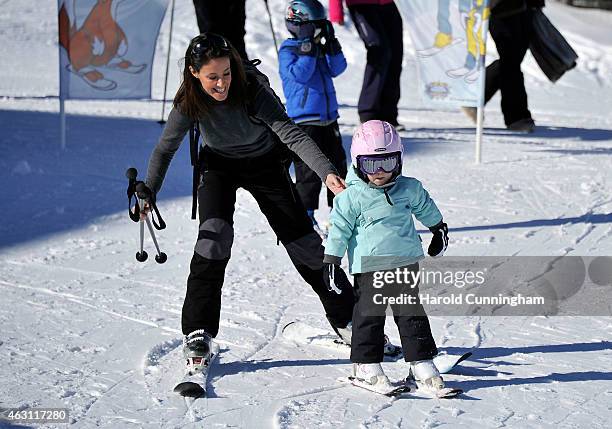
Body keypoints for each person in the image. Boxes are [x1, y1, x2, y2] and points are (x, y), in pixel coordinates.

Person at [144, 33, 356, 374]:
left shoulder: (251, 90)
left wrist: (327, 173)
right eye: (212, 76)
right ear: (194, 72)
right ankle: (198, 332)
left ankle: (349, 319)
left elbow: (292, 134)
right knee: (213, 240)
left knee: (305, 245)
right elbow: (165, 148)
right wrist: (149, 190)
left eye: (226, 73)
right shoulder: (189, 101)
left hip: (265, 164)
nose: (222, 83)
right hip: (219, 167)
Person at [323, 120, 451, 394]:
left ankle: (421, 364)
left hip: (406, 262)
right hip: (370, 266)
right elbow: (338, 231)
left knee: (411, 313)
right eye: (371, 164)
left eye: (388, 162)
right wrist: (331, 262)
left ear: (399, 159)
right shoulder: (351, 197)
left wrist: (438, 228)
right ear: (358, 162)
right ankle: (366, 367)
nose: (380, 171)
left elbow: (425, 207)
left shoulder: (409, 188)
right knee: (370, 315)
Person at [279, 0, 348, 234]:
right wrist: (308, 47)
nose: (318, 29)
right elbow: (300, 74)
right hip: (306, 122)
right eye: (314, 25)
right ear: (300, 25)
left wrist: (332, 45)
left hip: (329, 119)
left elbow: (338, 69)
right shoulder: (288, 50)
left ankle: (339, 214)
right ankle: (305, 217)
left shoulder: (318, 48)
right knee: (308, 172)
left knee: (337, 166)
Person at [463, 0, 545, 132]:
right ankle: (516, 117)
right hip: (502, 10)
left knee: (511, 61)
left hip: (527, 8)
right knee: (510, 60)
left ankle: (474, 96)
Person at [329, 0, 404, 129]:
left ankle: (388, 114)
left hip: (388, 4)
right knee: (379, 51)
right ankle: (368, 113)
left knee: (395, 55)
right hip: (362, 5)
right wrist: (336, 11)